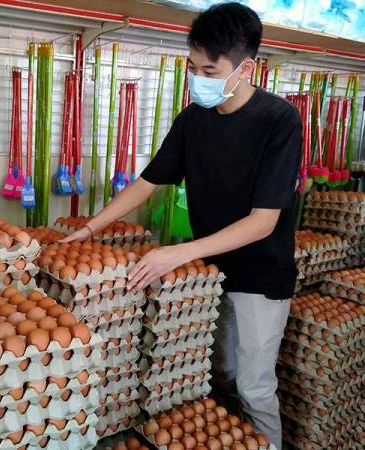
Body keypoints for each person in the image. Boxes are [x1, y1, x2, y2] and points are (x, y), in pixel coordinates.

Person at [61, 3, 301, 449]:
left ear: (246, 67)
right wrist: (91, 228)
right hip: (206, 273)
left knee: (254, 386)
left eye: (209, 69)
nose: (198, 79)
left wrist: (177, 252)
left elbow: (263, 222)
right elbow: (149, 181)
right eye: (193, 67)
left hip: (260, 276)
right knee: (217, 375)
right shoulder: (194, 119)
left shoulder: (279, 120)